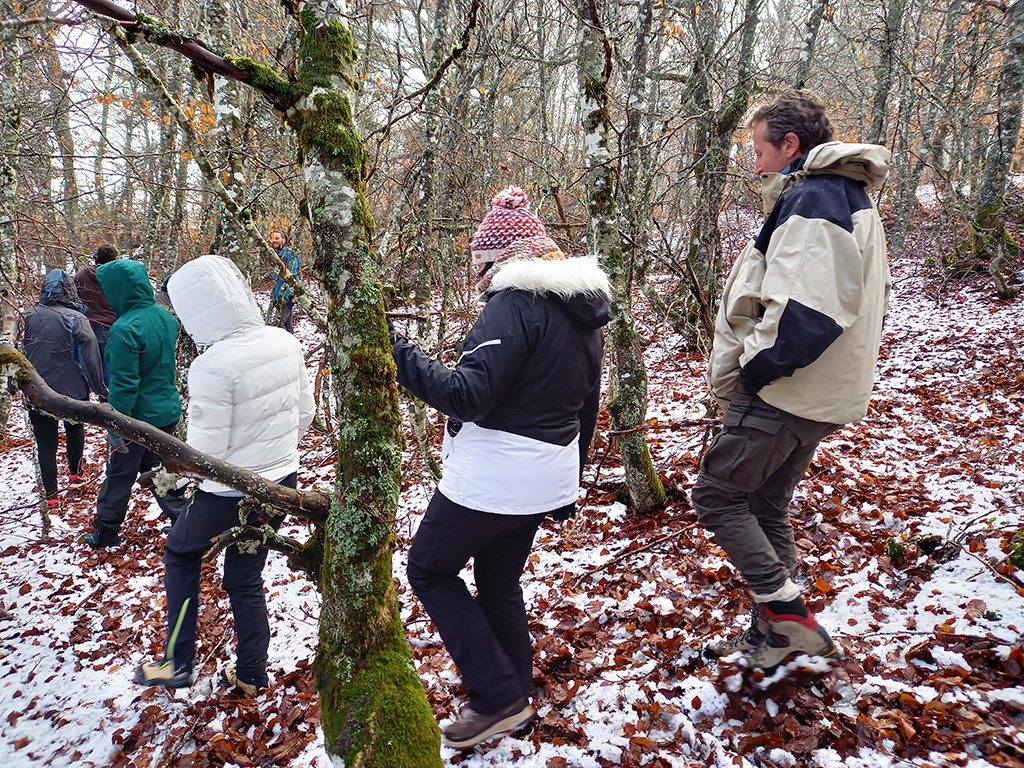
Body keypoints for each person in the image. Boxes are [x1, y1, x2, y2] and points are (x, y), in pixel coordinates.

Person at [390, 186, 611, 750]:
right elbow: (586, 404)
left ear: (502, 263)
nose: (477, 281)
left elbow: (469, 396)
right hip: (545, 470)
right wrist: (571, 479)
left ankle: (495, 695)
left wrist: (398, 352)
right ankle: (513, 692)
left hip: (497, 473)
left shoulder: (513, 304)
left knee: (429, 569)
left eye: (481, 268)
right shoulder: (581, 310)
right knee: (497, 579)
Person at [693, 90, 891, 671]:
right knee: (764, 502)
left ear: (790, 144)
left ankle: (788, 616)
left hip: (786, 388)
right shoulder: (837, 196)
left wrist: (755, 369)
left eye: (758, 150)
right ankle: (777, 636)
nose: (753, 164)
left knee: (718, 495)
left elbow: (807, 309)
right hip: (815, 391)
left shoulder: (817, 197)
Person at [133, 255, 314, 694]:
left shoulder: (212, 366)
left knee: (179, 554)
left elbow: (206, 454)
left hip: (227, 494)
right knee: (244, 575)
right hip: (281, 484)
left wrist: (171, 476)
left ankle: (177, 662)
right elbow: (305, 416)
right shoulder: (283, 341)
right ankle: (252, 671)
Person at [84, 259, 189, 549]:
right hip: (166, 411)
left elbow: (124, 386)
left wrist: (117, 427)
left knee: (119, 475)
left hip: (136, 419)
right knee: (162, 470)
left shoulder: (123, 329)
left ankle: (105, 534)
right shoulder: (164, 317)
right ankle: (184, 521)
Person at [20, 270, 107, 507]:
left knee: (45, 444)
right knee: (75, 428)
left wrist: (13, 385)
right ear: (70, 290)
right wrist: (99, 387)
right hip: (72, 391)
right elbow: (90, 357)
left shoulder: (26, 316)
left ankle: (51, 496)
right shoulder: (77, 319)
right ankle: (76, 473)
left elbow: (13, 355)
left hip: (36, 391)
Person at [73, 244, 119, 389]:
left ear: (96, 258)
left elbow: (73, 299)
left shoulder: (81, 275)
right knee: (109, 367)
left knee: (85, 366)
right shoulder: (118, 277)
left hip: (86, 327)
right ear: (115, 259)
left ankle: (86, 401)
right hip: (111, 327)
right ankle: (108, 404)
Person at [270, 230, 299, 333]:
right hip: (280, 294)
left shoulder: (289, 253)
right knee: (287, 325)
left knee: (279, 323)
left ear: (284, 239)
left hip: (287, 294)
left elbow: (292, 274)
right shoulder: (276, 254)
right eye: (272, 238)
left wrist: (287, 295)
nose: (274, 240)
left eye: (277, 238)